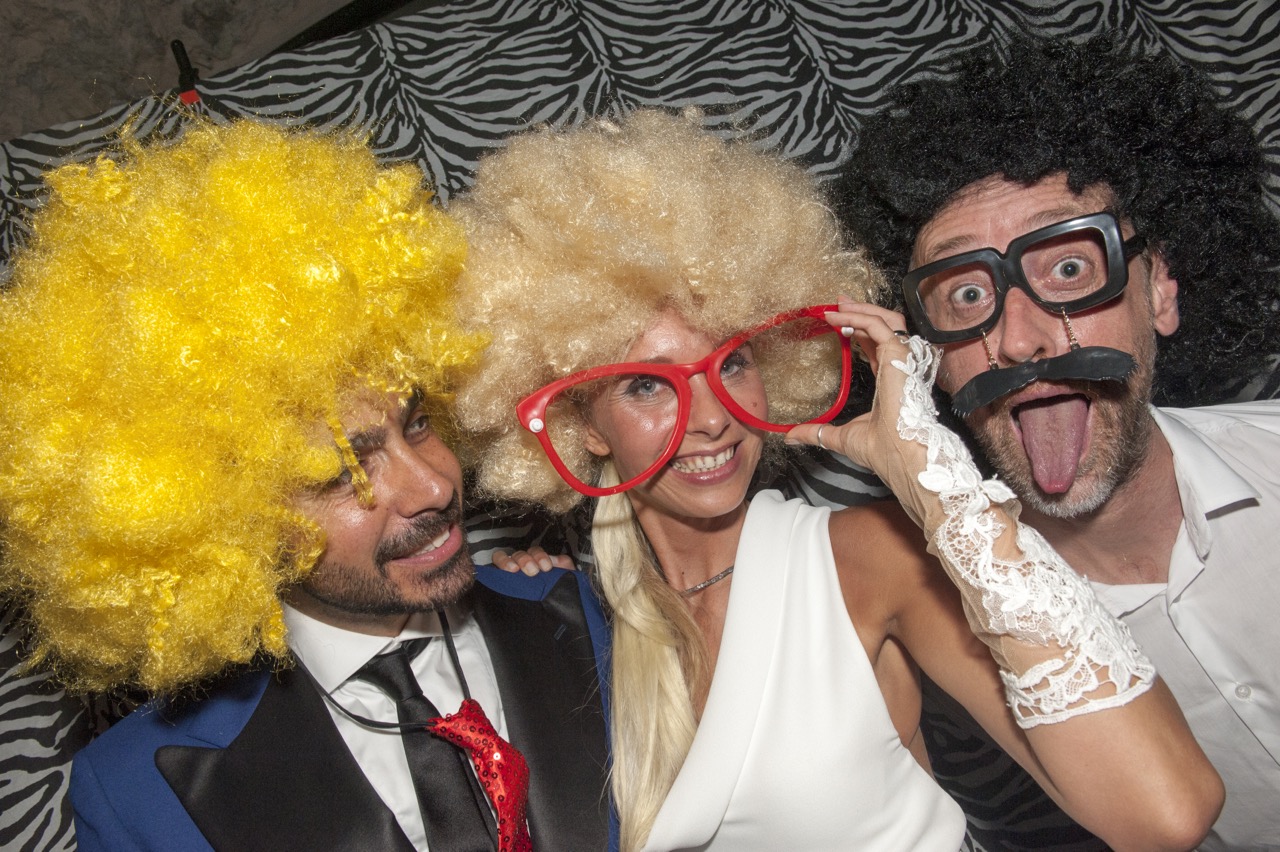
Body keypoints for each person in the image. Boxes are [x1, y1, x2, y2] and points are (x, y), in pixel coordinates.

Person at [451, 108, 1222, 852]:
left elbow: (1165, 814)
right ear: (581, 424)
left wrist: (936, 484)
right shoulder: (576, 627)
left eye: (733, 363)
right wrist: (525, 599)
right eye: (647, 386)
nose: (711, 418)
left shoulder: (864, 557)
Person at [0, 120, 611, 852]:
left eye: (417, 423)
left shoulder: (599, 614)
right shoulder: (138, 792)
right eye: (341, 473)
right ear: (222, 521)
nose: (431, 486)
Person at [834, 33, 1280, 852]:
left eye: (1069, 269)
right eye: (967, 295)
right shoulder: (957, 640)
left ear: (1160, 290)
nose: (1019, 339)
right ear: (930, 360)